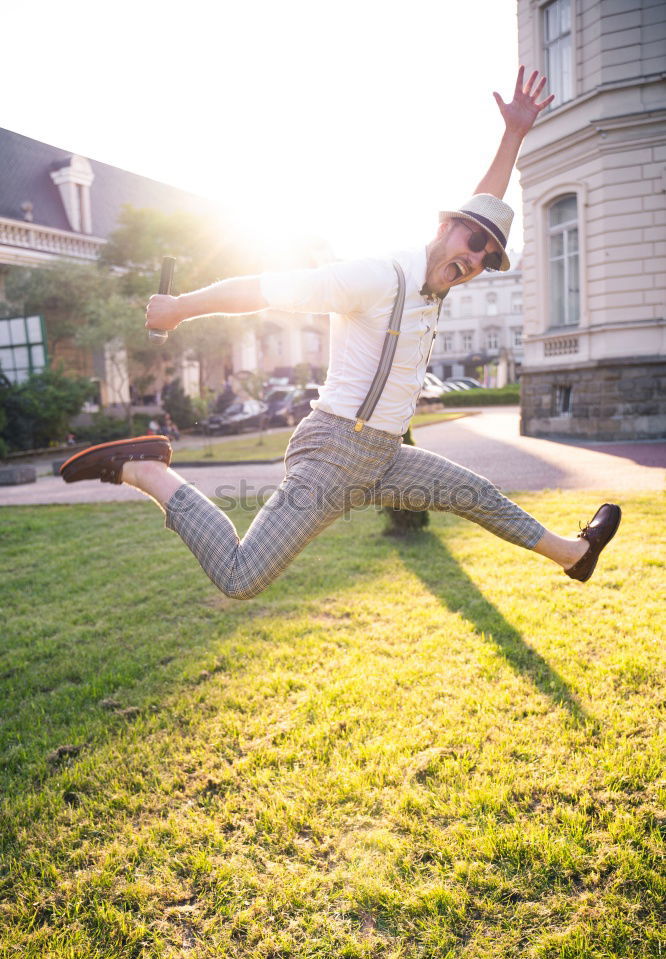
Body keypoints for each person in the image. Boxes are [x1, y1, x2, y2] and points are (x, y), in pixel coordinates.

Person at [60, 67, 621, 597]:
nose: (476, 258)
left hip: (383, 454)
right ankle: (148, 472)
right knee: (240, 575)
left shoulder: (437, 283)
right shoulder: (378, 276)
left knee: (475, 495)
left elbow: (484, 208)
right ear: (444, 227)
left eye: (488, 255)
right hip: (337, 450)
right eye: (472, 242)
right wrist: (180, 306)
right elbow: (266, 287)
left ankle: (574, 554)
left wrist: (514, 135)